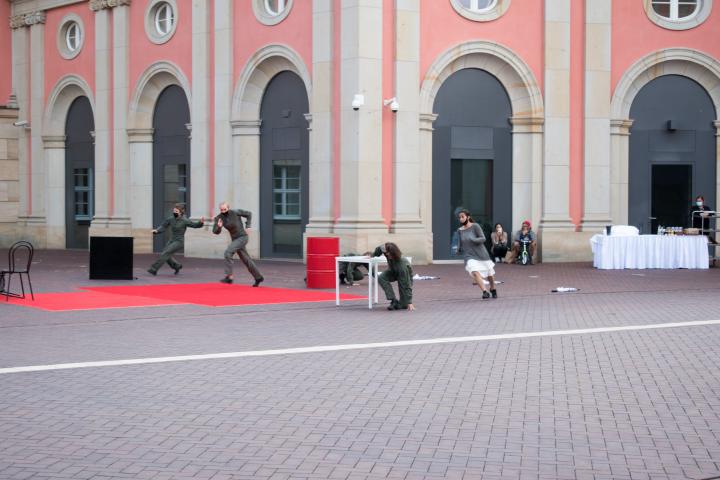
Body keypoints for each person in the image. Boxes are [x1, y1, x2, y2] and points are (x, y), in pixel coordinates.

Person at [212, 201, 264, 286]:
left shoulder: (235, 212)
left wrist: (248, 226)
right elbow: (215, 232)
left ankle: (229, 277)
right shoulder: (219, 218)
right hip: (235, 239)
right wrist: (219, 227)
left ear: (228, 208)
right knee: (246, 260)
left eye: (225, 209)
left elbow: (249, 214)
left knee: (228, 253)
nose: (223, 211)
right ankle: (258, 277)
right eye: (221, 210)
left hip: (243, 237)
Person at [147, 204, 204, 276]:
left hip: (179, 241)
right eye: (174, 211)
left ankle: (153, 269)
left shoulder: (185, 220)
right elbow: (163, 226)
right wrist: (157, 231)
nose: (174, 212)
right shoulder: (170, 219)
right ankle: (177, 266)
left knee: (166, 253)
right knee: (165, 254)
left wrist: (201, 223)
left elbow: (195, 225)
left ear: (180, 212)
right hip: (172, 240)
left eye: (176, 211)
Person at [457, 209, 497, 299]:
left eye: (462, 217)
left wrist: (474, 239)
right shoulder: (459, 230)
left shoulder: (475, 226)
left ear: (468, 217)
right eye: (459, 217)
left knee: (490, 274)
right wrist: (458, 249)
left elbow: (483, 238)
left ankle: (493, 288)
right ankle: (485, 291)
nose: (461, 219)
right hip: (469, 256)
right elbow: (460, 242)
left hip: (481, 254)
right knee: (474, 271)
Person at [367, 243, 415, 311]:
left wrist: (409, 302)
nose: (388, 256)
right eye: (387, 254)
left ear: (395, 254)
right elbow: (379, 249)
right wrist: (373, 255)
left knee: (404, 305)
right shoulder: (386, 249)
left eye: (390, 255)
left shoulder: (401, 264)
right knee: (381, 277)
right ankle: (393, 300)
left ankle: (402, 303)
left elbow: (406, 285)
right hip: (392, 271)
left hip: (403, 274)